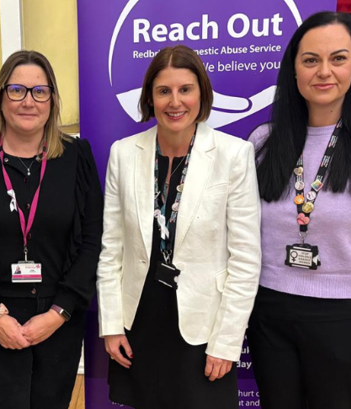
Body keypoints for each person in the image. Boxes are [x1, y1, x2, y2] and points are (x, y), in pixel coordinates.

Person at [247, 11, 351, 409]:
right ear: (294, 69)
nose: (324, 72)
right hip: (269, 310)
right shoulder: (263, 142)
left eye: (337, 58)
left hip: (346, 317)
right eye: (310, 60)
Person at [95, 45, 262, 409]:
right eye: (164, 91)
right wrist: (111, 324)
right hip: (140, 317)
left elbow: (246, 259)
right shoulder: (123, 154)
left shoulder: (234, 155)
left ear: (201, 94)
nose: (175, 102)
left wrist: (226, 342)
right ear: (150, 98)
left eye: (185, 89)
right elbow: (111, 249)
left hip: (202, 324)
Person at [0, 51, 103, 409]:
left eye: (40, 91)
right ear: (0, 97)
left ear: (53, 100)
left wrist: (59, 312)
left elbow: (92, 239)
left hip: (59, 318)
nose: (28, 101)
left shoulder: (76, 156)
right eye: (17, 90)